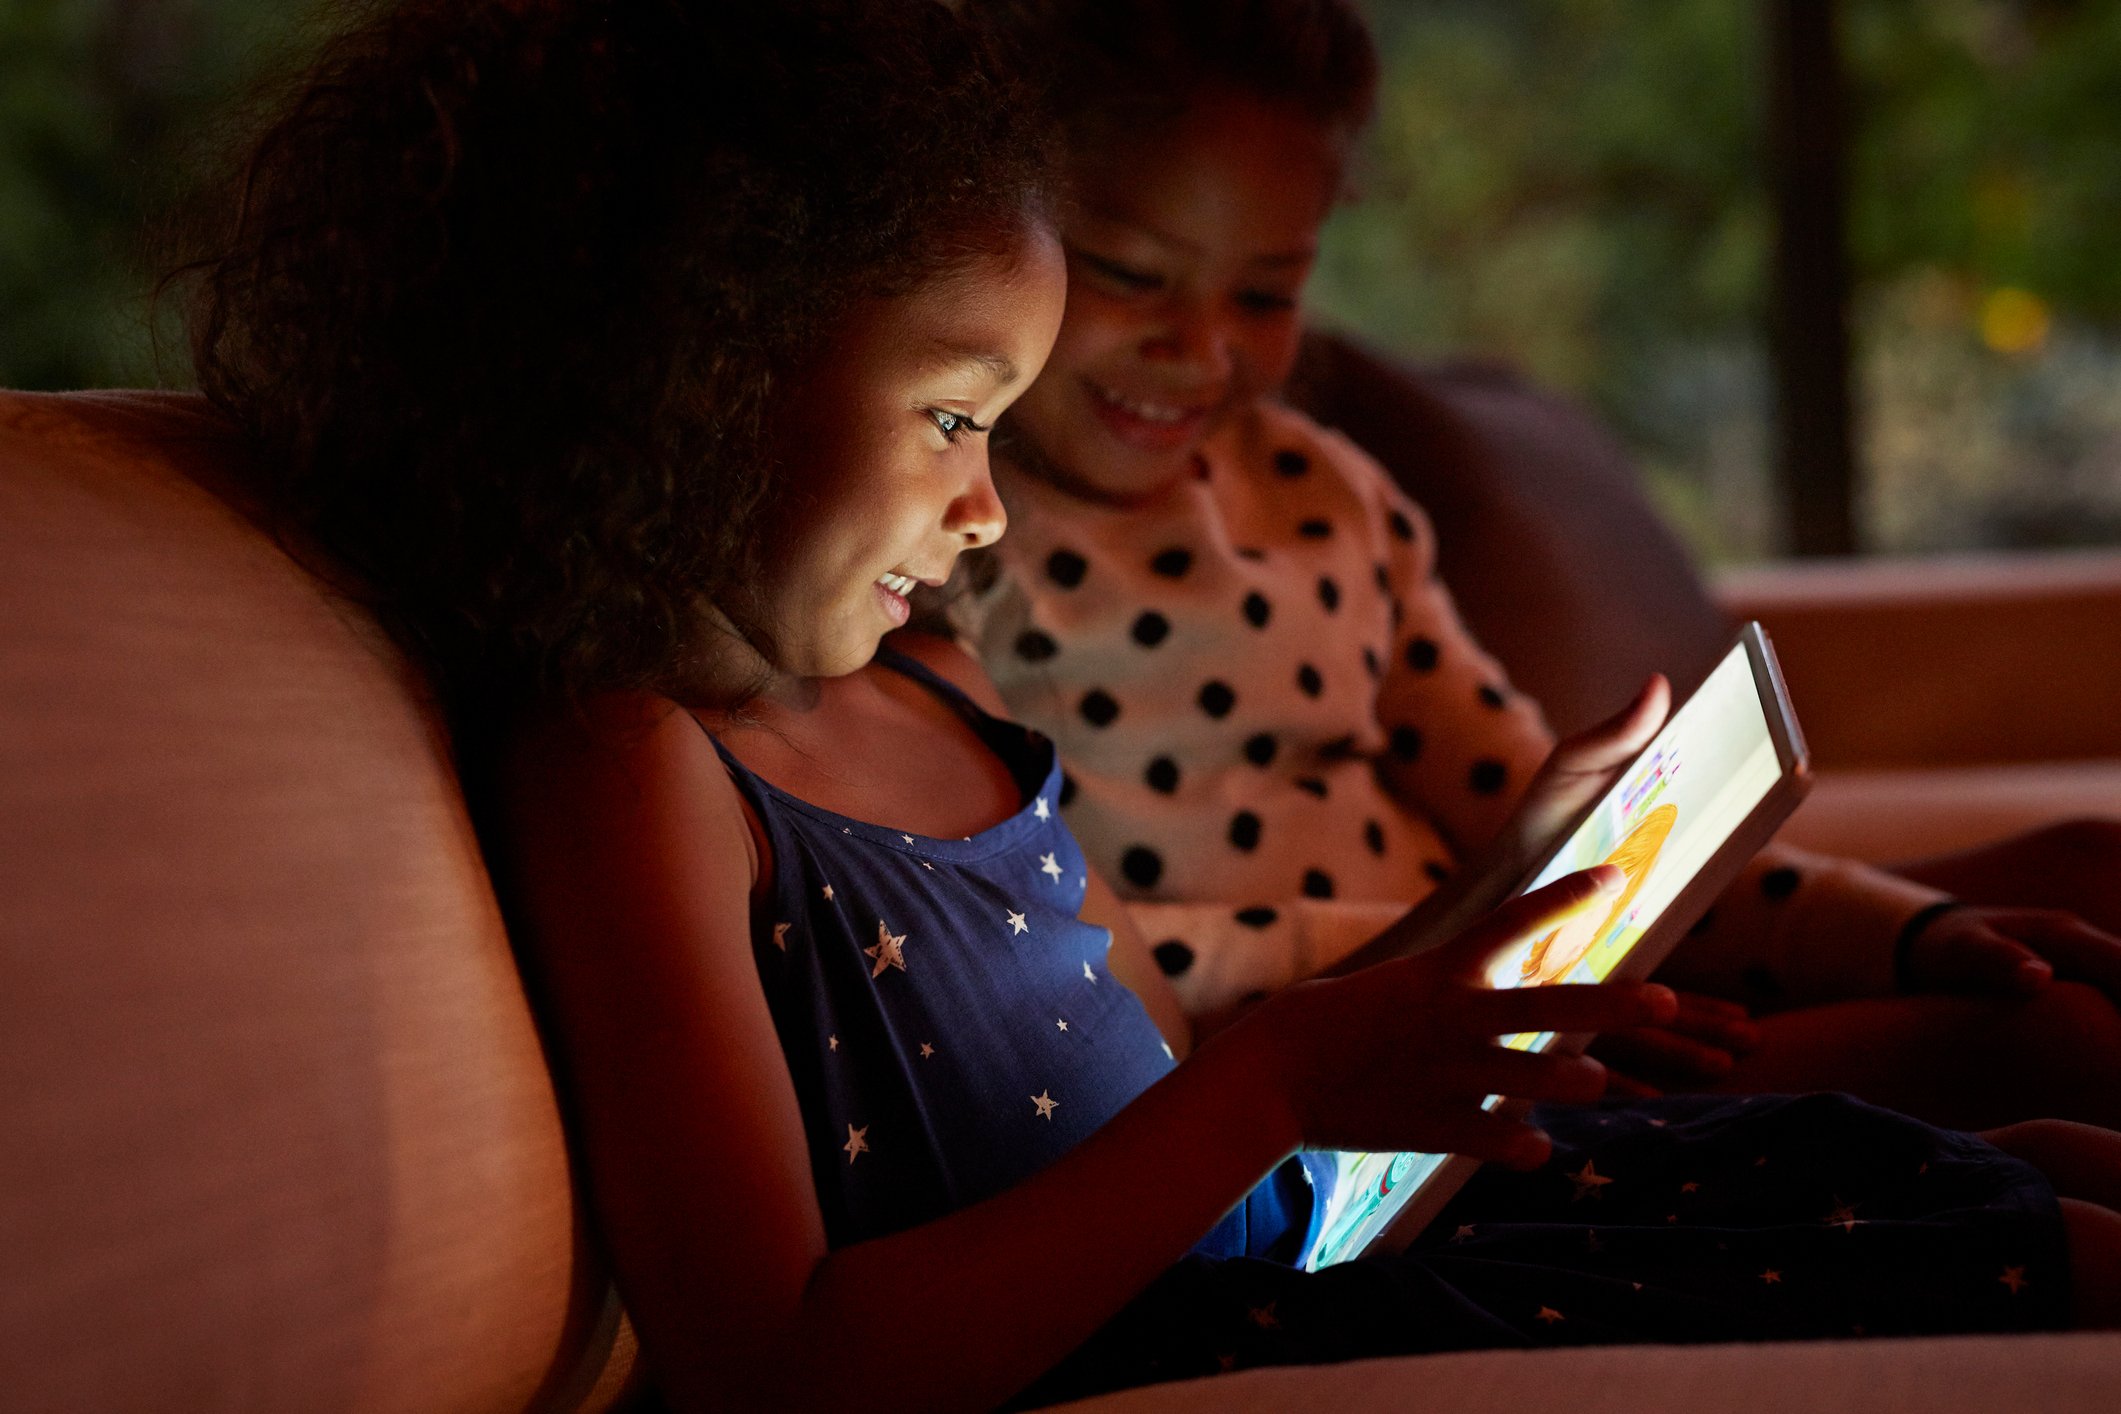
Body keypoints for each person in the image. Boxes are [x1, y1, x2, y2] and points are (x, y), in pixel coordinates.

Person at [174, 2, 2121, 1408]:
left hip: (1323, 1225)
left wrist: (1429, 988)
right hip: (1241, 1303)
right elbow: (779, 1361)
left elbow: (1143, 1020)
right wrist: (1274, 1082)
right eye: (953, 419)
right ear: (684, 378)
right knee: (2008, 1217)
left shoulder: (927, 675)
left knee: (2005, 1150)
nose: (985, 503)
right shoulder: (629, 764)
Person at [939, 0, 2121, 1133]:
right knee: (2049, 1043)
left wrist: (1904, 928)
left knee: (2081, 873)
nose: (1199, 349)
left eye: (1264, 293)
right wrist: (1475, 965)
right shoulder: (950, 535)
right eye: (1131, 274)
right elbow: (1079, 964)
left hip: (1532, 988)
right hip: (1374, 1077)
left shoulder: (1315, 491)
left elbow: (1538, 809)